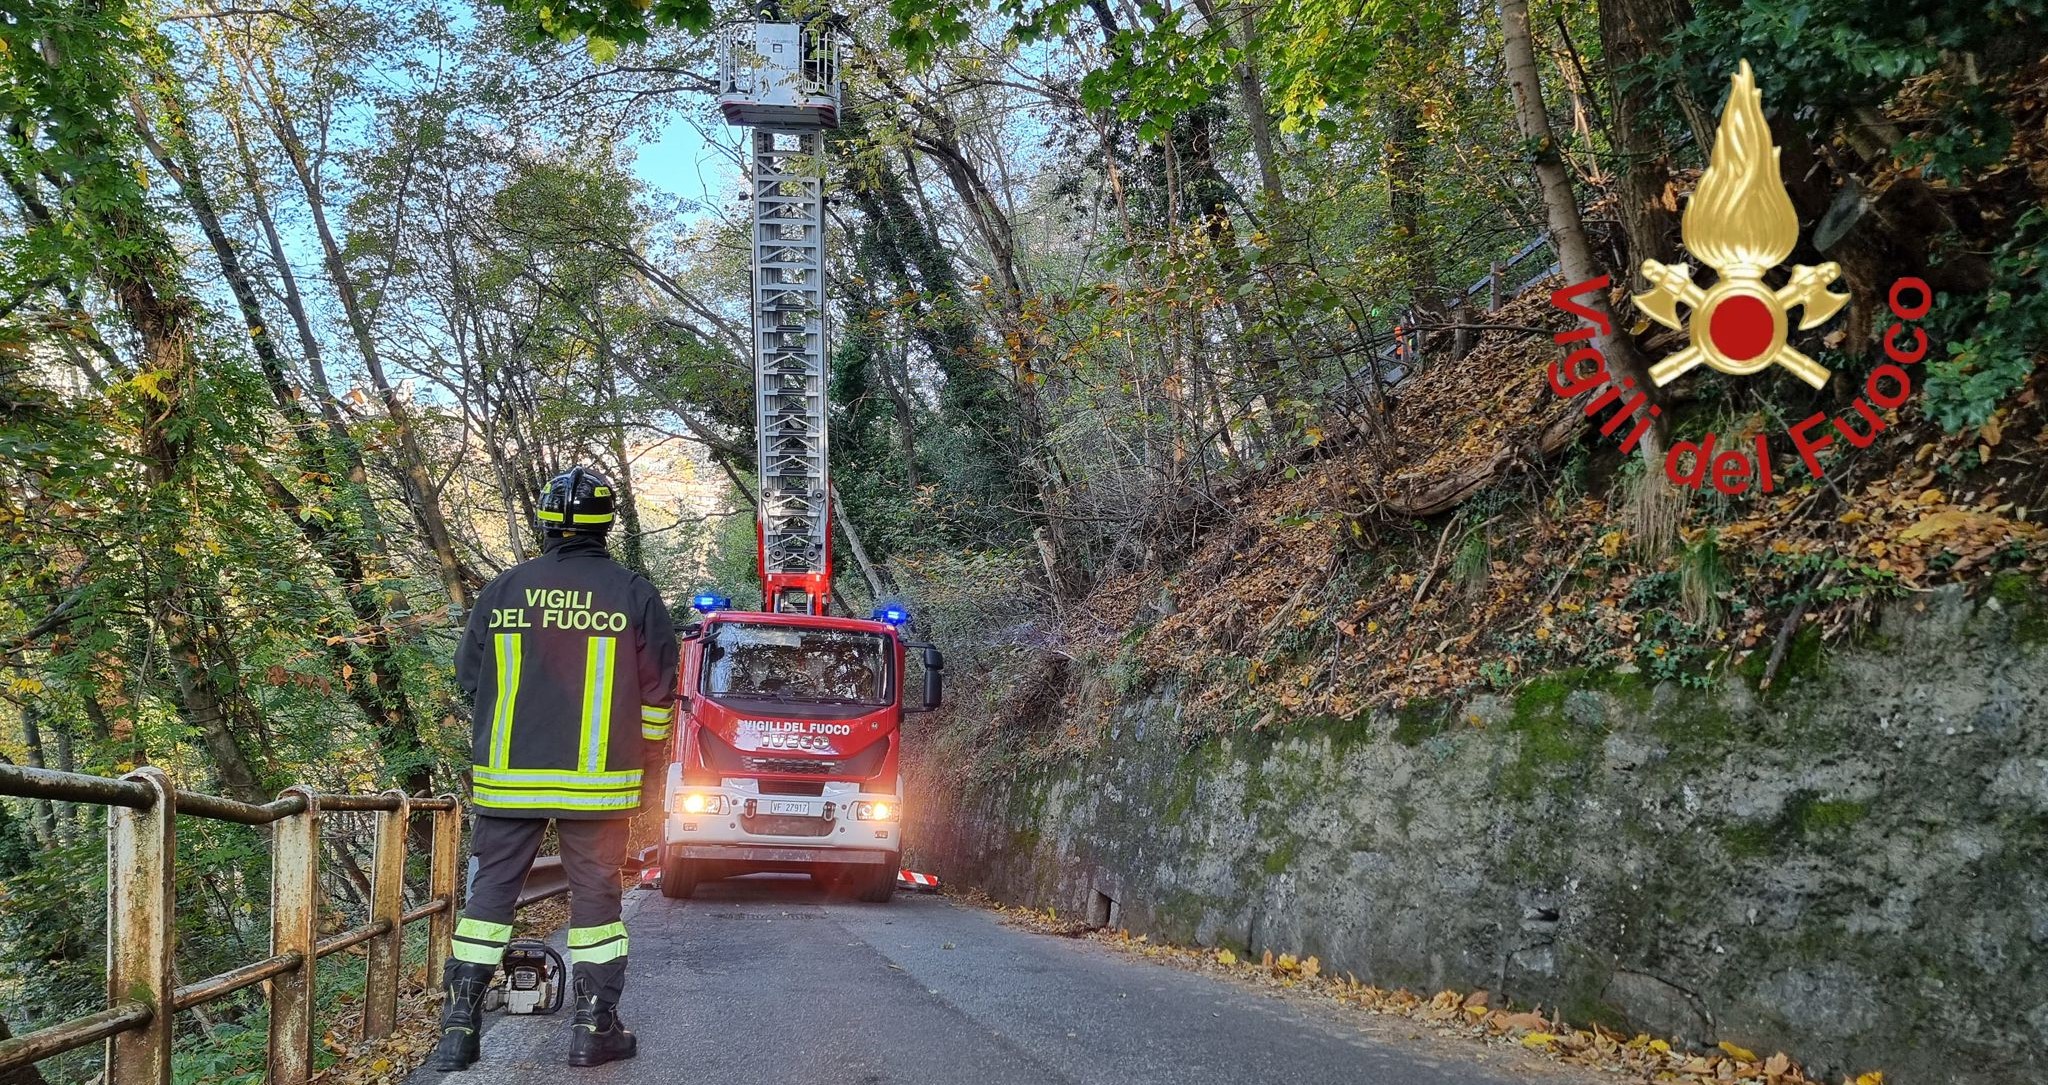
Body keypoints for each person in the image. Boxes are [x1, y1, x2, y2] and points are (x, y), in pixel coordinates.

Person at [430, 467, 679, 1071]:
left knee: (491, 892)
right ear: (606, 525)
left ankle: (459, 1031)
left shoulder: (504, 590)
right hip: (598, 784)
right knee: (596, 900)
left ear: (545, 522)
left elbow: (469, 678)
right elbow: (658, 699)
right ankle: (593, 1030)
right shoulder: (633, 594)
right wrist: (648, 772)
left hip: (507, 779)